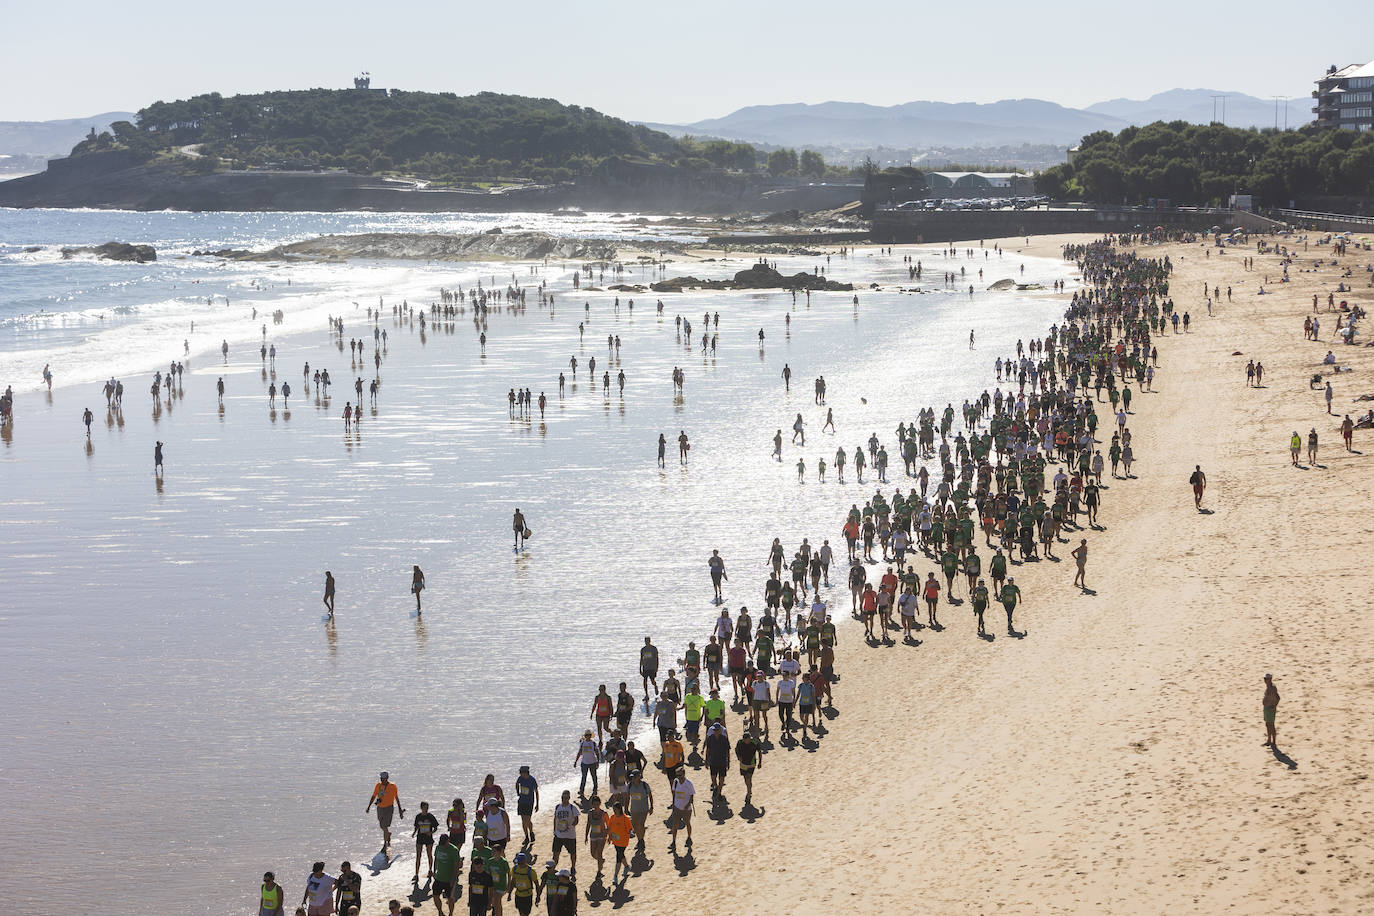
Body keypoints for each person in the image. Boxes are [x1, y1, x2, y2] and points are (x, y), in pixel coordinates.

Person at [366, 771, 404, 850]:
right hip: (380, 808)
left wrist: (400, 809)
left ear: (387, 778)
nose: (382, 780)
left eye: (384, 779)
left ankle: (385, 843)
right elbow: (373, 796)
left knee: (384, 826)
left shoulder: (392, 786)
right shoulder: (378, 786)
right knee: (382, 826)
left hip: (389, 808)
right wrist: (369, 806)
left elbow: (396, 798)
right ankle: (388, 835)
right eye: (381, 779)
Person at [550, 790, 579, 872]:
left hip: (570, 836)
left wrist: (569, 825)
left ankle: (573, 867)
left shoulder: (572, 808)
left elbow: (577, 820)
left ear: (569, 798)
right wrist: (554, 830)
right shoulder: (557, 807)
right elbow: (555, 818)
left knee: (572, 853)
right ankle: (553, 869)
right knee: (555, 854)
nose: (564, 799)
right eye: (563, 797)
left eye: (566, 797)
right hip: (558, 835)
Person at [433, 835, 461, 916]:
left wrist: (453, 879)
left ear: (448, 841)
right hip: (438, 877)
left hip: (449, 879)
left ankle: (450, 913)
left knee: (450, 899)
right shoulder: (438, 847)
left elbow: (456, 866)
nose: (443, 845)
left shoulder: (454, 850)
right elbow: (436, 860)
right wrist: (434, 871)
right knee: (435, 896)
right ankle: (440, 912)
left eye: (444, 843)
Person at [606, 801, 634, 884]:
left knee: (618, 856)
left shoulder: (625, 818)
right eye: (613, 809)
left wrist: (631, 833)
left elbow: (630, 829)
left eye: (615, 809)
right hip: (615, 841)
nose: (614, 811)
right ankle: (626, 866)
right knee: (621, 855)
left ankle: (615, 876)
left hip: (623, 841)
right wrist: (609, 837)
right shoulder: (612, 817)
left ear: (619, 809)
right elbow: (610, 828)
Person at [668, 771, 695, 852]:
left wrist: (688, 804)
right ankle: (673, 842)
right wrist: (673, 804)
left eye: (680, 775)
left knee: (687, 823)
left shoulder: (688, 783)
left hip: (686, 809)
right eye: (677, 775)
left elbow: (691, 795)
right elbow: (674, 793)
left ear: (684, 774)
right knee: (675, 824)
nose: (678, 777)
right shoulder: (676, 782)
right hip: (677, 807)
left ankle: (689, 838)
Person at [412, 801, 439, 880]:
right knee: (418, 856)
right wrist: (414, 833)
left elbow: (436, 827)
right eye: (425, 808)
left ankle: (430, 870)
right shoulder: (418, 817)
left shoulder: (430, 816)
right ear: (421, 808)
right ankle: (416, 874)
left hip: (428, 838)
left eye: (427, 808)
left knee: (429, 854)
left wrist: (431, 832)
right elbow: (416, 827)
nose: (426, 809)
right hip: (420, 837)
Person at [515, 766, 540, 845]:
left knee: (528, 820)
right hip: (521, 801)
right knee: (523, 820)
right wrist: (518, 792)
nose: (520, 774)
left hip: (529, 802)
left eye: (521, 772)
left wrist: (537, 804)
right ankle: (526, 837)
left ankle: (531, 832)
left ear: (525, 772)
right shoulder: (520, 778)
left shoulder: (532, 780)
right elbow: (517, 784)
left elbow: (536, 792)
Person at [1262, 673, 1280, 748]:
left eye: (1266, 679)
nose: (1264, 680)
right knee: (1267, 724)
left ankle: (1274, 742)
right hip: (1266, 708)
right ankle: (1269, 740)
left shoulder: (1272, 688)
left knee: (1271, 725)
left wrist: (1274, 706)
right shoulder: (1268, 687)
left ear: (1270, 679)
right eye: (1264, 679)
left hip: (1270, 708)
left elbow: (1278, 698)